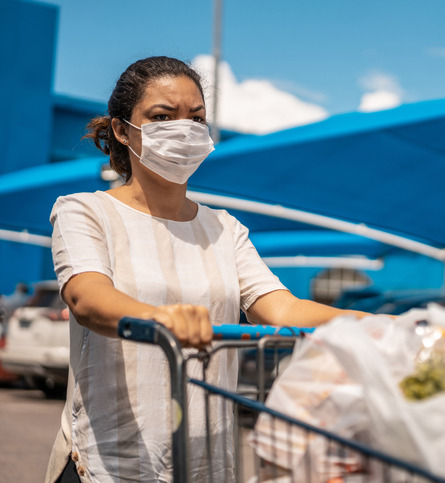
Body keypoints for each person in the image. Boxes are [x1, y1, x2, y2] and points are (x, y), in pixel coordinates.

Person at [46, 56, 368, 483]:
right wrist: (161, 318)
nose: (185, 129)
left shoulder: (223, 228)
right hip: (110, 465)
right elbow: (88, 298)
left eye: (196, 119)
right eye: (163, 116)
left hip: (205, 466)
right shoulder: (85, 212)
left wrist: (370, 322)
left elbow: (281, 309)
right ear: (123, 130)